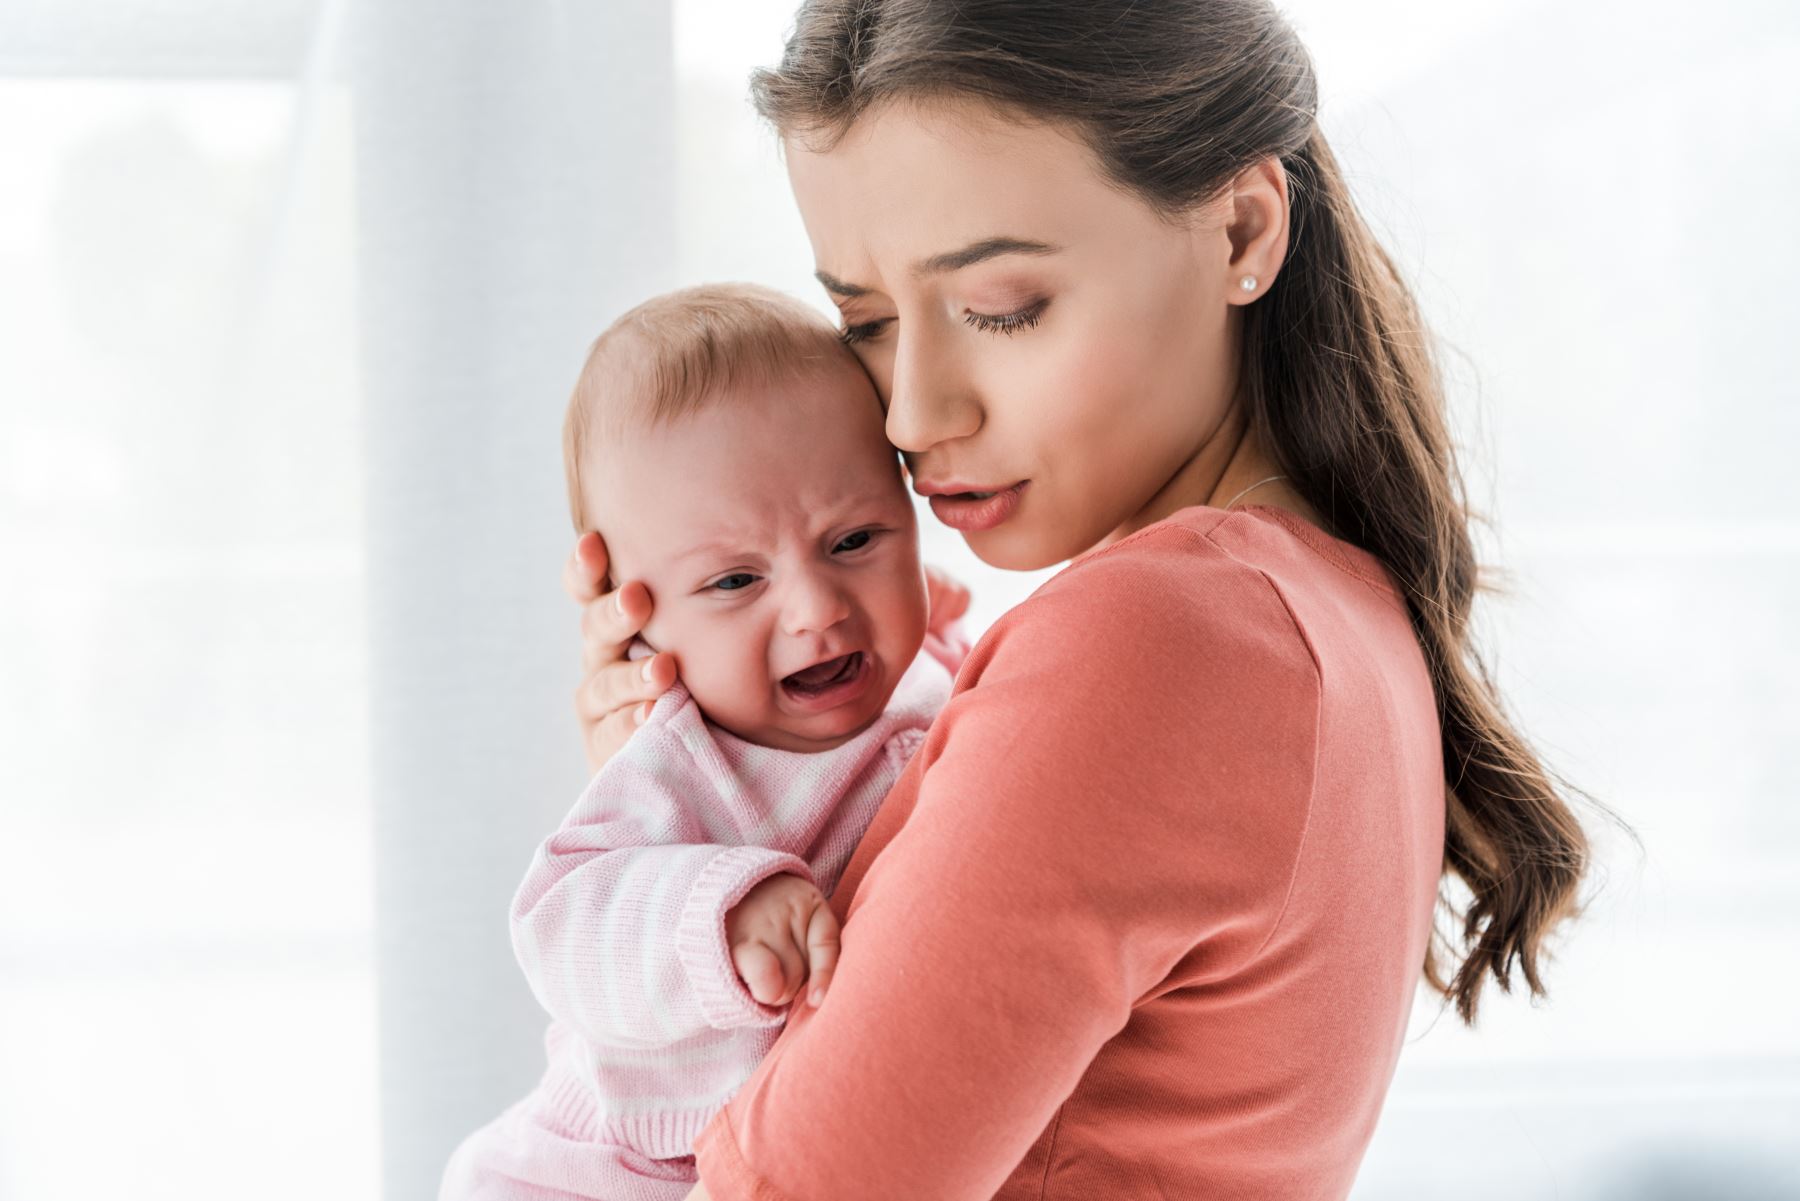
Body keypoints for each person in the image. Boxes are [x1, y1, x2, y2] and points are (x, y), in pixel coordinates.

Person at [566, 2, 1596, 1197]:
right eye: (866, 323)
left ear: (1241, 229)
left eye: (1001, 308)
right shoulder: (1328, 612)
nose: (912, 415)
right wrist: (687, 792)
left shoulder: (1163, 638)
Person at [440, 283, 974, 1200]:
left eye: (853, 540)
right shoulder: (679, 761)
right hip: (615, 1165)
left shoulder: (932, 681)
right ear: (636, 620)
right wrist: (716, 916)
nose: (816, 609)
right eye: (734, 580)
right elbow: (562, 923)